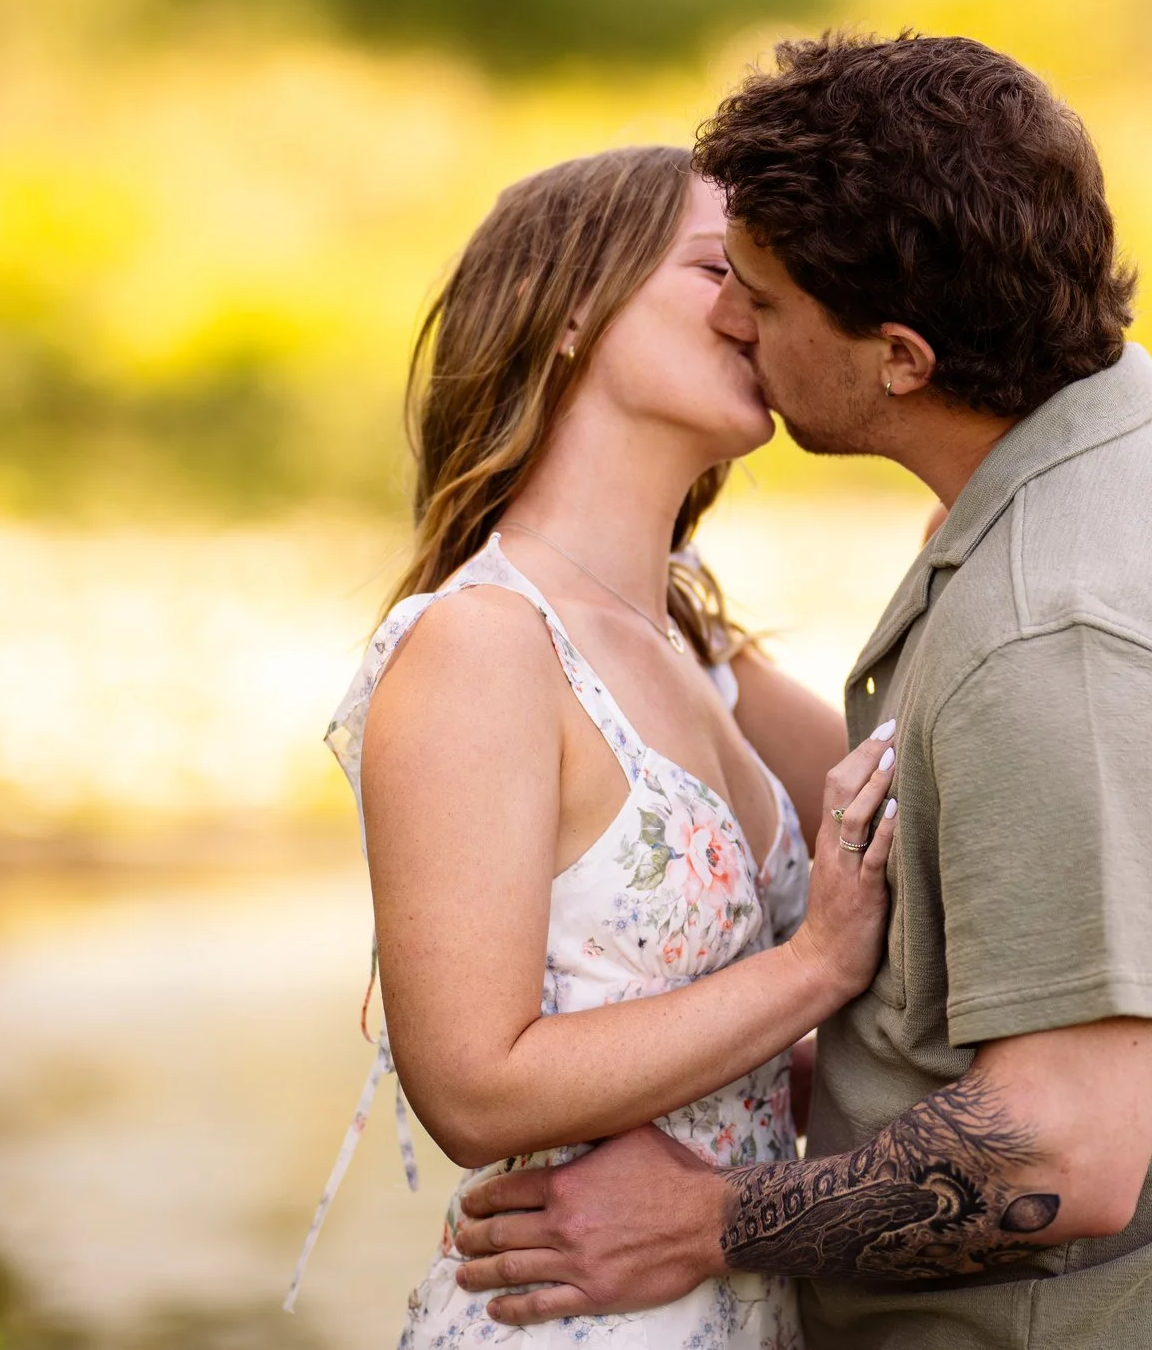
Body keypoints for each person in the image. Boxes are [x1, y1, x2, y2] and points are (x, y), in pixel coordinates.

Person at [449, 34, 1152, 1349]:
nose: (736, 316)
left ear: (899, 355)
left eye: (768, 300)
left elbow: (1053, 1149)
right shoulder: (1127, 482)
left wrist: (704, 1218)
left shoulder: (1059, 628)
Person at [293, 145, 903, 1348]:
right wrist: (810, 971)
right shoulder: (483, 647)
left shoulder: (697, 647)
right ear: (573, 311)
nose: (755, 308)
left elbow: (920, 788)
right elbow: (472, 1084)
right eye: (720, 268)